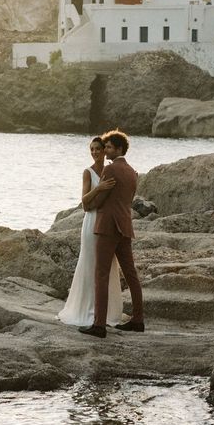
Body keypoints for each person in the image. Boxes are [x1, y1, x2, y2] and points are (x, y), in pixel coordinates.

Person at [79, 129, 145, 338]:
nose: (105, 150)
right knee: (131, 273)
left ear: (119, 148)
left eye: (108, 147)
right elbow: (127, 199)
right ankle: (138, 320)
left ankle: (99, 325)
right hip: (125, 226)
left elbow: (96, 203)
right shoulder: (133, 172)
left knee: (101, 273)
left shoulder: (110, 170)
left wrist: (90, 201)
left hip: (107, 226)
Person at [56, 136, 123, 328]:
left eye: (97, 149)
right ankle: (85, 309)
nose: (94, 152)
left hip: (108, 223)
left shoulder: (111, 170)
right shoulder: (88, 172)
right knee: (90, 263)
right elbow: (85, 203)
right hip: (92, 222)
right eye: (91, 149)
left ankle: (106, 312)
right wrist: (99, 188)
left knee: (107, 265)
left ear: (105, 151)